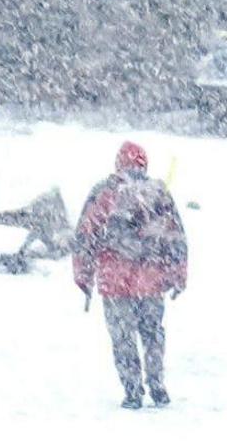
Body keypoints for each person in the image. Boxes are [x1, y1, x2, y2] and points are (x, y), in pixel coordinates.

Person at [71, 140, 188, 409]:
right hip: (151, 280)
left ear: (118, 163)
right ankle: (157, 384)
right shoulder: (159, 192)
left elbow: (85, 236)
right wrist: (177, 275)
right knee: (153, 335)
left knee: (123, 339)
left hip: (115, 283)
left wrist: (84, 276)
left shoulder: (104, 192)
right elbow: (175, 238)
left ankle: (133, 391)